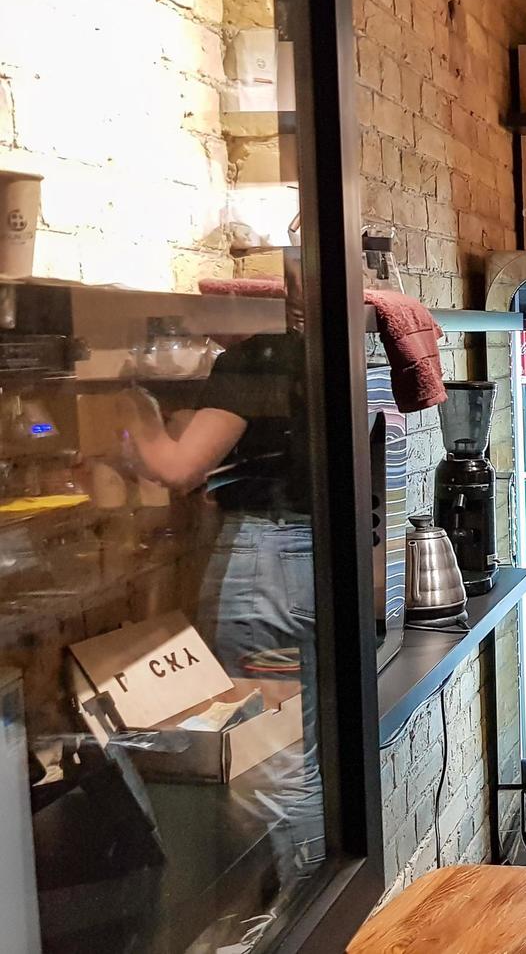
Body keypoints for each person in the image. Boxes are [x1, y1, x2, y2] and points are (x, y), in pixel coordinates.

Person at [117, 264, 324, 907]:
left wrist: (128, 402)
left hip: (264, 575)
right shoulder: (338, 354)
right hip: (316, 563)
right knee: (299, 750)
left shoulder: (260, 357)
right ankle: (318, 901)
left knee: (270, 760)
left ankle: (303, 914)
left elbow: (176, 468)